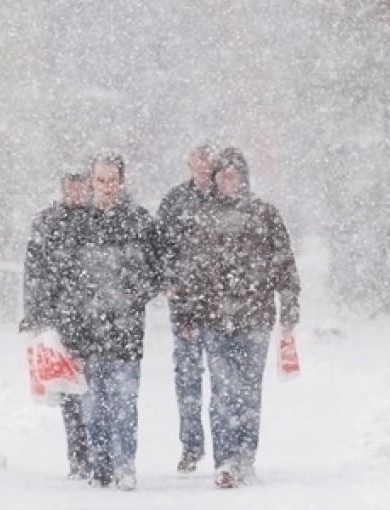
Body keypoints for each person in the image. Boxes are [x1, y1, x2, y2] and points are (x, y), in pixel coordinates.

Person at [173, 147, 301, 489]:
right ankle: (225, 459)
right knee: (222, 390)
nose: (229, 181)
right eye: (222, 175)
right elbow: (190, 270)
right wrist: (186, 312)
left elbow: (284, 265)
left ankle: (246, 456)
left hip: (255, 318)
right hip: (215, 320)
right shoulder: (203, 218)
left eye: (234, 174)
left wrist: (289, 307)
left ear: (244, 177)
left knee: (249, 391)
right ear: (214, 180)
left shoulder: (264, 214)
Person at [65, 152, 161, 491]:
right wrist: (68, 328)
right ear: (91, 182)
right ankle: (100, 465)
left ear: (122, 181)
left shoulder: (140, 221)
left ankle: (125, 465)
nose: (106, 187)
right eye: (100, 180)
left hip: (126, 331)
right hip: (87, 332)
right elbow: (66, 281)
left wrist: (137, 294)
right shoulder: (77, 226)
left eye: (112, 180)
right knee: (92, 406)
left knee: (124, 403)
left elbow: (157, 270)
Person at [19, 172, 92, 480]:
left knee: (95, 388)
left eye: (80, 186)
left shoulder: (97, 221)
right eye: (70, 186)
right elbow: (34, 271)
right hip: (61, 316)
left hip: (94, 316)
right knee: (69, 389)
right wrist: (35, 315)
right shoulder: (47, 222)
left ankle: (97, 451)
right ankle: (78, 456)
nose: (75, 192)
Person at [156, 143, 216, 473]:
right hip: (185, 303)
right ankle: (191, 445)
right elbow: (161, 245)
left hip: (223, 305)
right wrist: (169, 282)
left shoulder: (226, 198)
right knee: (188, 377)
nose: (204, 170)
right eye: (199, 164)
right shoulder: (176, 201)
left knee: (224, 381)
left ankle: (225, 446)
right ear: (189, 165)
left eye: (209, 165)